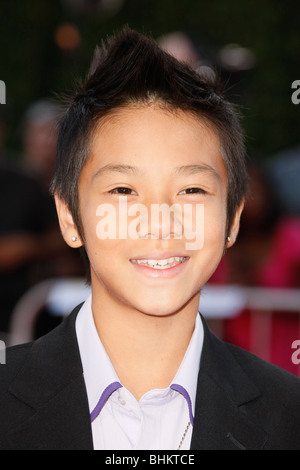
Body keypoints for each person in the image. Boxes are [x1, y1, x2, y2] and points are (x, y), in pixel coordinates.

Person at [0, 27, 300, 451]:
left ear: (232, 218)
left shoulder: (288, 416)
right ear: (69, 215)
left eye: (192, 190)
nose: (160, 222)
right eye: (123, 190)